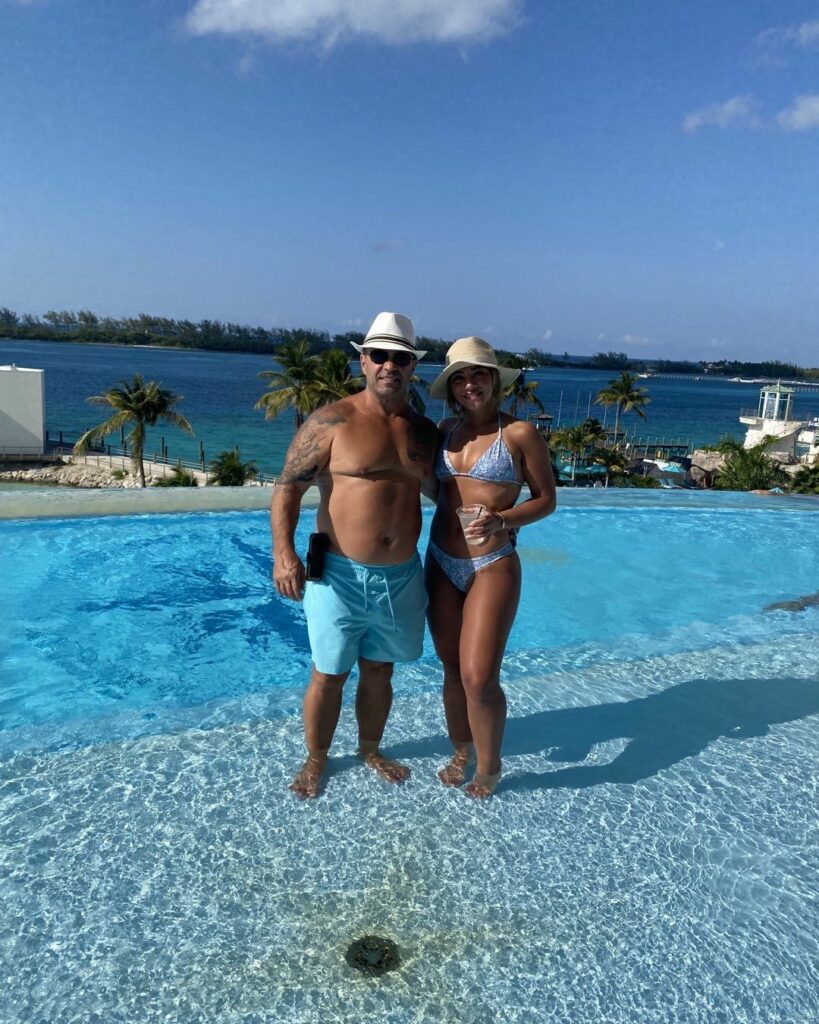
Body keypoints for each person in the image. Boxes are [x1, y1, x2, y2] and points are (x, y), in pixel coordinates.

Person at [272, 312, 439, 799]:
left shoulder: (423, 432)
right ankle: (317, 757)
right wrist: (284, 555)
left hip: (402, 578)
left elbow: (442, 494)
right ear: (363, 361)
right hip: (339, 575)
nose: (390, 365)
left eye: (401, 358)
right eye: (380, 355)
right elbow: (287, 491)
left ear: (412, 368)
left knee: (380, 670)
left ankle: (369, 748)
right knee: (329, 674)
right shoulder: (331, 421)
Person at [426, 337, 557, 797]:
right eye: (458, 377)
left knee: (479, 678)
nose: (468, 384)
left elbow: (546, 500)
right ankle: (461, 746)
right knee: (450, 668)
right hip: (440, 561)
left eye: (477, 374)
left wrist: (504, 519)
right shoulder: (442, 430)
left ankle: (490, 764)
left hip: (491, 562)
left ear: (494, 380)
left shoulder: (519, 434)